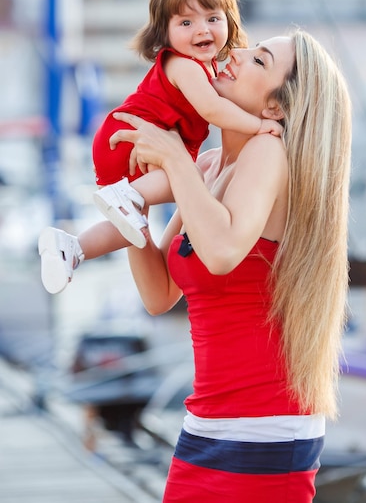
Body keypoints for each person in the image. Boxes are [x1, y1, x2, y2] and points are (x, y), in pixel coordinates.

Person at [108, 29, 352, 503]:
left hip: (264, 432)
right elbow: (159, 294)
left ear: (277, 108)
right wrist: (127, 200)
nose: (234, 56)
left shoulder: (269, 152)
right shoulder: (210, 165)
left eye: (259, 61)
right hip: (209, 425)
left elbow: (220, 254)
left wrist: (174, 159)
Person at [38, 0, 281, 295]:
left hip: (134, 143)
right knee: (187, 179)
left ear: (230, 22)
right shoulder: (185, 65)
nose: (202, 30)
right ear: (164, 32)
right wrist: (259, 125)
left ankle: (73, 248)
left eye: (213, 18)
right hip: (130, 139)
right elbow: (213, 110)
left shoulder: (203, 68)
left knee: (131, 229)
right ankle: (129, 197)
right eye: (186, 22)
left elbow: (160, 298)